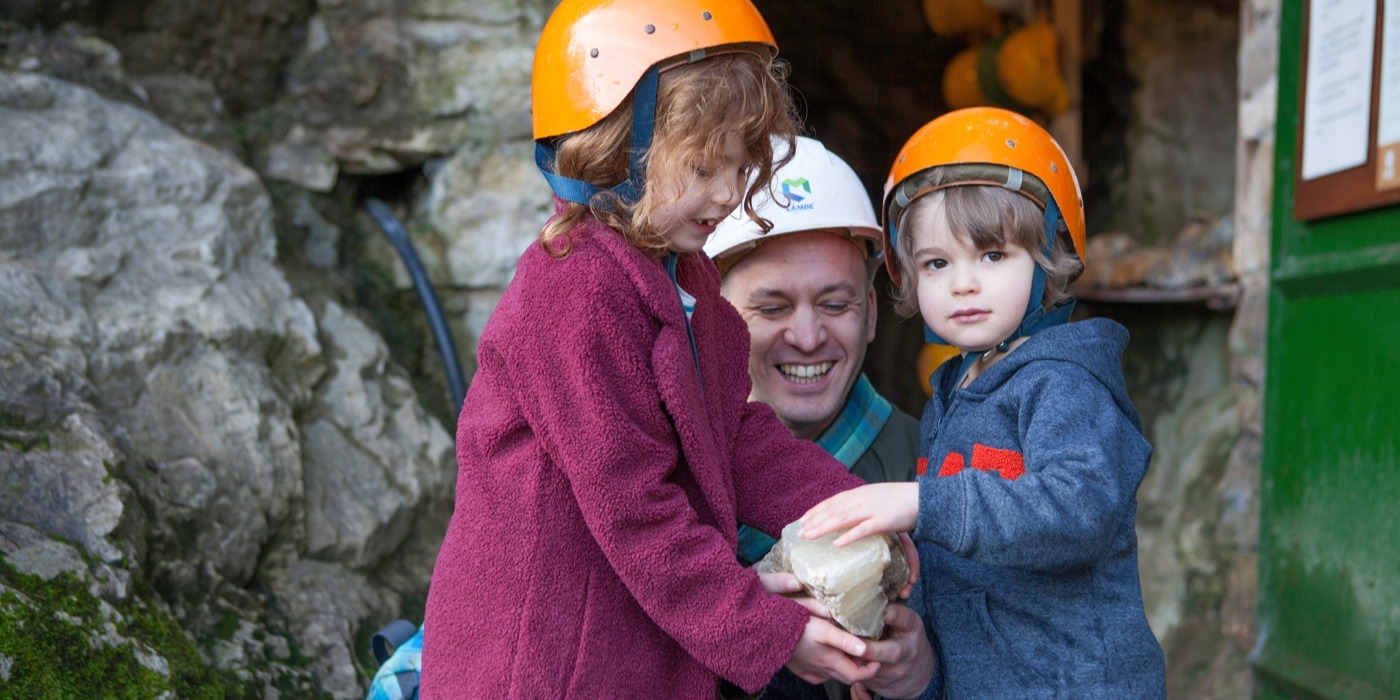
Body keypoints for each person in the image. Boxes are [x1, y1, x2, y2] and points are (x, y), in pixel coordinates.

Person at [420, 1, 890, 697]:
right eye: (702, 167)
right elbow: (634, 510)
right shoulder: (574, 289)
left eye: (739, 166)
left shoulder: (682, 272)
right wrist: (771, 631)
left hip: (625, 652)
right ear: (615, 149)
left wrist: (857, 511)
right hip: (546, 667)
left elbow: (732, 435)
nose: (728, 193)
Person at [799, 107, 1168, 698]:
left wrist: (925, 503)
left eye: (992, 255)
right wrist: (910, 665)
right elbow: (955, 574)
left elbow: (1079, 511)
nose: (962, 283)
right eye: (937, 263)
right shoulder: (954, 394)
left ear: (1048, 252)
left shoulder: (1065, 383)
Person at [705, 136, 922, 700]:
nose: (807, 337)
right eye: (771, 307)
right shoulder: (663, 472)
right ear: (711, 318)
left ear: (871, 313)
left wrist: (918, 673)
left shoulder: (930, 468)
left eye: (834, 304)